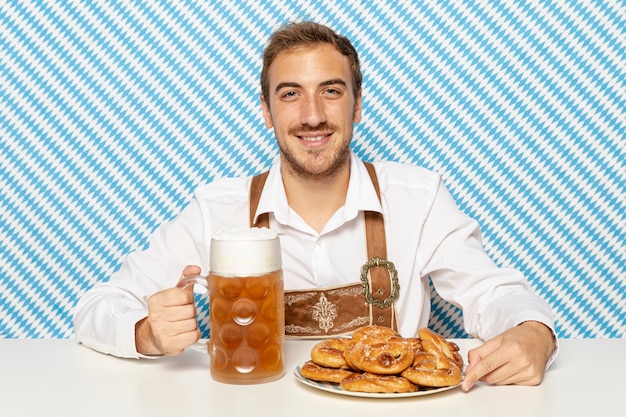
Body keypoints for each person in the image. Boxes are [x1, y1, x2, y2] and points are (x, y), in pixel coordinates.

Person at [74, 21, 557, 392]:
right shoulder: (215, 211)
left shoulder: (418, 196)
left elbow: (494, 293)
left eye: (331, 90)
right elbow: (96, 307)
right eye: (290, 94)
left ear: (357, 105)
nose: (312, 116)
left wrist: (533, 333)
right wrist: (146, 335)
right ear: (266, 110)